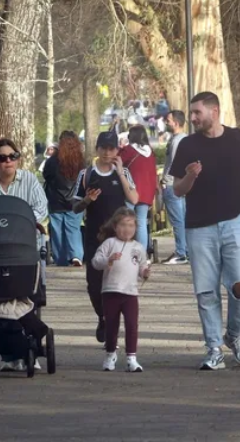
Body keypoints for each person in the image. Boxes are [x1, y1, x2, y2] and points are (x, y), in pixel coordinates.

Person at [169, 91, 240, 370]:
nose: (193, 118)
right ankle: (213, 348)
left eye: (197, 112)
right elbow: (177, 190)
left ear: (214, 111)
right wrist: (190, 176)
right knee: (206, 291)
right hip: (199, 228)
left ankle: (235, 335)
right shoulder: (186, 144)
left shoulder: (238, 139)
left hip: (233, 222)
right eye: (192, 113)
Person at [0, 138, 49, 371]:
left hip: (23, 247)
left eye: (12, 156)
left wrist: (21, 223)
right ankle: (9, 352)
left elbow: (41, 208)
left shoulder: (30, 180)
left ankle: (26, 347)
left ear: (18, 158)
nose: (8, 162)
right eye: (2, 158)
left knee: (26, 294)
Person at [73, 131, 139, 343]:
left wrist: (120, 173)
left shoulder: (124, 172)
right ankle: (102, 316)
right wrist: (87, 201)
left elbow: (134, 199)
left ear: (117, 151)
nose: (107, 153)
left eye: (111, 149)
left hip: (119, 237)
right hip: (94, 235)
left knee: (118, 281)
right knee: (94, 282)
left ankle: (112, 322)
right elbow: (74, 207)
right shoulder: (86, 174)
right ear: (97, 149)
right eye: (103, 148)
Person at [92, 207, 151, 372]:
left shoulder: (138, 247)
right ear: (115, 226)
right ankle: (110, 354)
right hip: (111, 291)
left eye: (131, 226)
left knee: (132, 324)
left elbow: (142, 266)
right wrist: (107, 261)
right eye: (124, 225)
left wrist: (145, 272)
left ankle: (132, 357)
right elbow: (96, 262)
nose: (127, 229)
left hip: (130, 293)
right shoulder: (110, 243)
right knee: (111, 325)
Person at [43, 131, 85, 267]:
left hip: (55, 199)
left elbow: (46, 176)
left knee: (57, 230)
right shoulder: (81, 161)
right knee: (73, 228)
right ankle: (76, 255)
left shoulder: (52, 161)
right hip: (75, 200)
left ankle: (60, 258)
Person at [119, 125, 157, 251]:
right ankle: (142, 252)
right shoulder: (151, 152)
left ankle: (126, 248)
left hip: (131, 190)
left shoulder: (129, 150)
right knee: (141, 223)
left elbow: (118, 162)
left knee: (126, 220)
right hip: (147, 192)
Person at [160, 110, 189, 265]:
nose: (166, 122)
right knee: (182, 219)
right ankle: (185, 250)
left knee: (177, 220)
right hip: (180, 184)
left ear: (176, 123)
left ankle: (181, 253)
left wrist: (165, 180)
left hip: (172, 185)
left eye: (168, 120)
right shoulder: (181, 139)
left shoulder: (178, 141)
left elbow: (174, 163)